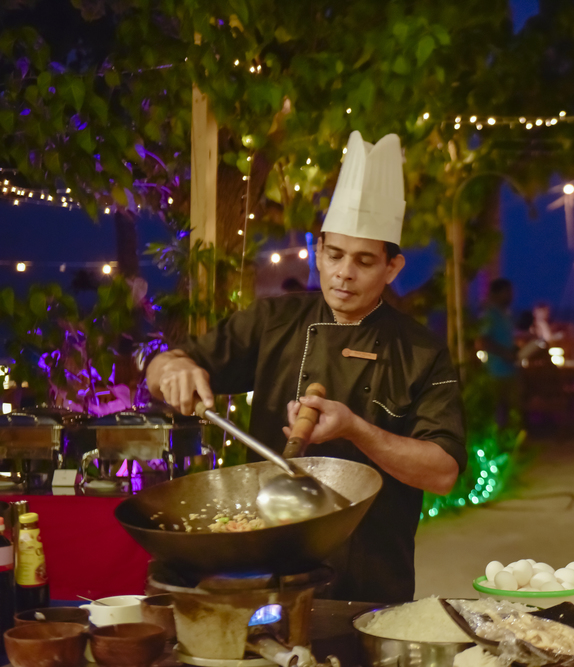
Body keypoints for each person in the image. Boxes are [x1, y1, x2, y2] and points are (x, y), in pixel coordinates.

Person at [146, 131, 466, 602]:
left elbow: (442, 473)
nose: (343, 273)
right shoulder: (273, 321)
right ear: (318, 251)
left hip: (371, 575)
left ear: (392, 268)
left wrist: (356, 428)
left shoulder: (421, 350)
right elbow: (165, 366)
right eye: (334, 255)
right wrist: (171, 370)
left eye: (363, 261)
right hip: (266, 567)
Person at [477, 278, 519, 424]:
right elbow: (483, 341)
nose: (511, 296)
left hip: (510, 371)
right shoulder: (490, 315)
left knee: (510, 409)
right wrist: (505, 353)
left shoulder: (506, 314)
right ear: (498, 293)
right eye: (508, 292)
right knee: (497, 410)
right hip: (495, 371)